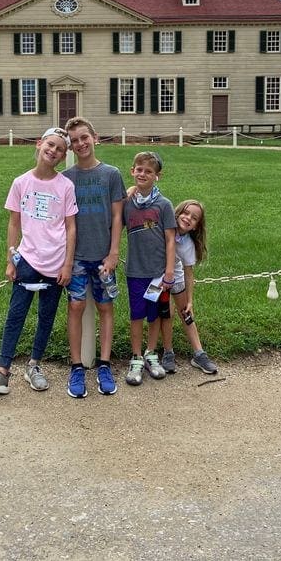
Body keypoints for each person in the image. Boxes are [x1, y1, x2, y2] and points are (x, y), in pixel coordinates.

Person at [0, 127, 78, 395]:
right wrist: (11, 258)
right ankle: (2, 370)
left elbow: (71, 227)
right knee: (16, 314)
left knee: (46, 316)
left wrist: (67, 264)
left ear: (63, 156)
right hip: (27, 258)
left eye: (59, 149)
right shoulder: (21, 182)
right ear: (40, 145)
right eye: (49, 145)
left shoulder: (65, 186)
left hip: (55, 263)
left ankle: (35, 364)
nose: (53, 151)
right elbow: (14, 223)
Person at [62, 117, 126, 398]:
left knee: (105, 307)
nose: (80, 144)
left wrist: (114, 253)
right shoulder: (67, 179)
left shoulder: (111, 174)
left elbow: (117, 216)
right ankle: (76, 366)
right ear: (70, 147)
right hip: (76, 256)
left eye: (84, 137)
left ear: (95, 137)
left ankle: (104, 364)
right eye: (74, 141)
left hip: (103, 256)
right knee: (75, 307)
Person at [122, 151, 176, 386]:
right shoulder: (127, 204)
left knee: (154, 315)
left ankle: (151, 353)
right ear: (132, 171)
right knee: (137, 314)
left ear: (157, 176)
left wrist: (169, 271)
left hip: (157, 273)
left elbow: (171, 239)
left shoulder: (164, 205)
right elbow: (113, 221)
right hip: (135, 271)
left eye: (149, 171)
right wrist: (126, 194)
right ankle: (135, 357)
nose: (143, 174)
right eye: (139, 169)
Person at [159, 199, 219, 375]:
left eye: (193, 218)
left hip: (176, 277)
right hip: (158, 276)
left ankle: (199, 354)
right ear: (177, 213)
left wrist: (190, 301)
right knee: (166, 314)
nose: (187, 218)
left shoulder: (187, 244)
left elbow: (188, 272)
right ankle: (168, 352)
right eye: (185, 213)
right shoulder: (164, 227)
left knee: (186, 314)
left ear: (195, 227)